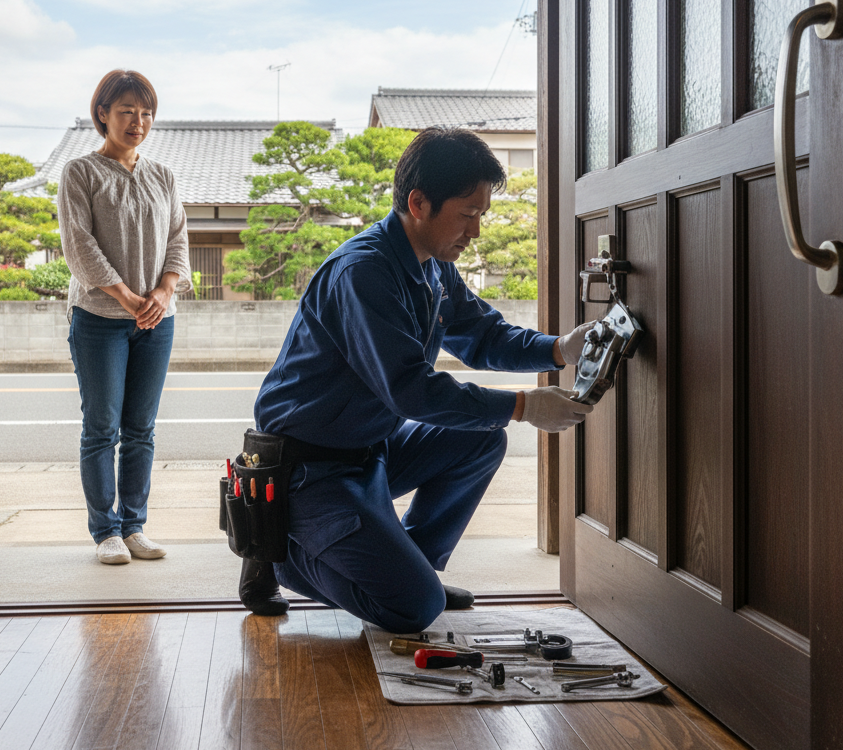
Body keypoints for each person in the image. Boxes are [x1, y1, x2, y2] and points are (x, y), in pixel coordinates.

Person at [240, 126, 597, 630]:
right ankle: (279, 550)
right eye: (468, 214)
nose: (475, 231)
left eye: (481, 216)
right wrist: (524, 406)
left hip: (369, 453)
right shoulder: (362, 273)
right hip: (309, 469)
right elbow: (410, 390)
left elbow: (483, 335)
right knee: (414, 609)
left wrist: (559, 350)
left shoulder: (433, 265)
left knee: (480, 440)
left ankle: (413, 565)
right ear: (419, 202)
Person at [58, 69, 191, 565]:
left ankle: (134, 526)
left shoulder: (163, 176)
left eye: (146, 112)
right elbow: (79, 246)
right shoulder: (80, 173)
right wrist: (128, 298)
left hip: (158, 318)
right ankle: (105, 532)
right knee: (101, 427)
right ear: (103, 116)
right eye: (127, 111)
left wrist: (163, 290)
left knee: (142, 427)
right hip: (98, 318)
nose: (138, 121)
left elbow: (179, 237)